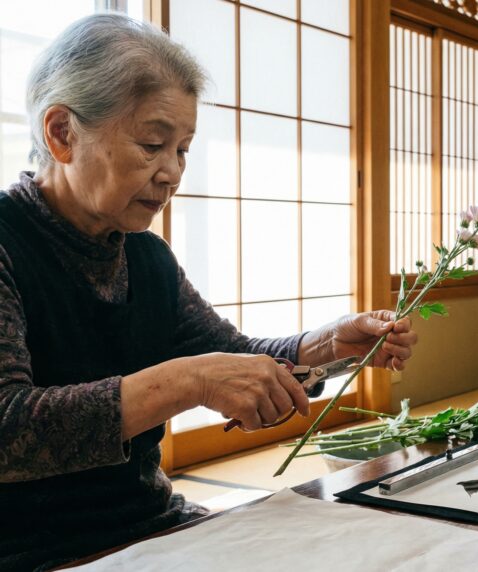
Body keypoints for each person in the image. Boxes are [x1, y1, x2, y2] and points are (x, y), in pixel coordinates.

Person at [0, 14, 417, 570]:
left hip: (150, 526)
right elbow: (8, 428)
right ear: (61, 133)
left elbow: (234, 354)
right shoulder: (7, 243)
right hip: (29, 551)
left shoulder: (145, 256)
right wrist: (188, 379)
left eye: (183, 150)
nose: (172, 172)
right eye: (152, 144)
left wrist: (332, 346)